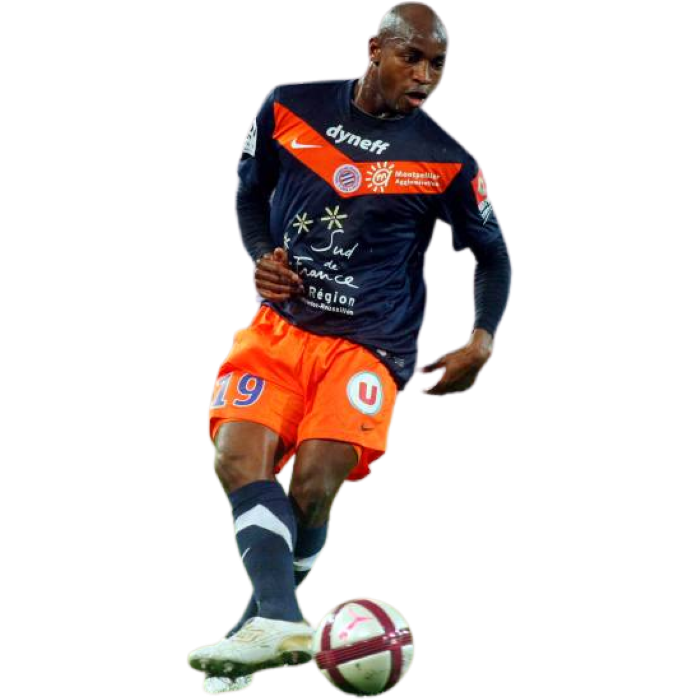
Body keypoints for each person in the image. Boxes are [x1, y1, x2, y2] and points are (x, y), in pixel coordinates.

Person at [188, 1, 513, 694]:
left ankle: (261, 624)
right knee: (234, 457)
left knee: (313, 485)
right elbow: (247, 195)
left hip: (369, 347)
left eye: (438, 65)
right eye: (411, 57)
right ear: (374, 49)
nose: (424, 76)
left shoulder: (447, 161)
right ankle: (276, 621)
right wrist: (260, 255)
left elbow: (493, 256)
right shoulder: (288, 106)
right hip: (280, 329)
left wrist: (482, 338)